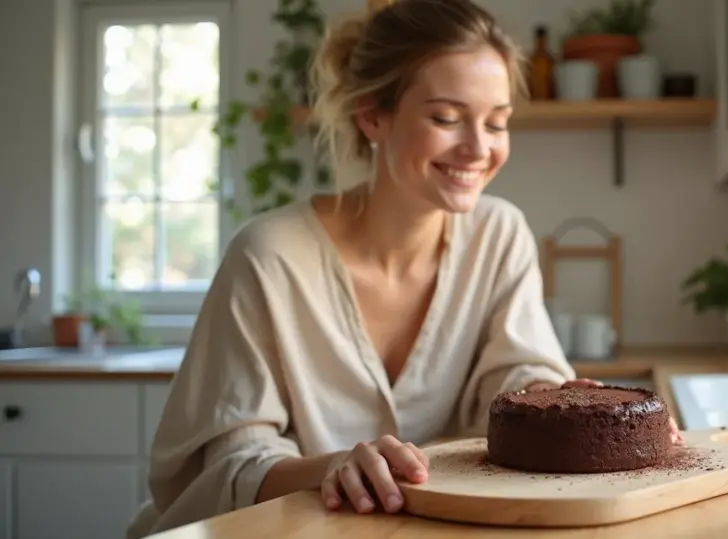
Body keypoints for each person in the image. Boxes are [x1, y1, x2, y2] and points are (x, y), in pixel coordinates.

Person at [126, 0, 681, 536]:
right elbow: (227, 465)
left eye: (497, 122)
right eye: (447, 118)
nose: (477, 148)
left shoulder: (498, 233)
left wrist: (550, 399)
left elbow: (512, 372)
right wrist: (333, 469)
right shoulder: (269, 256)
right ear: (373, 115)